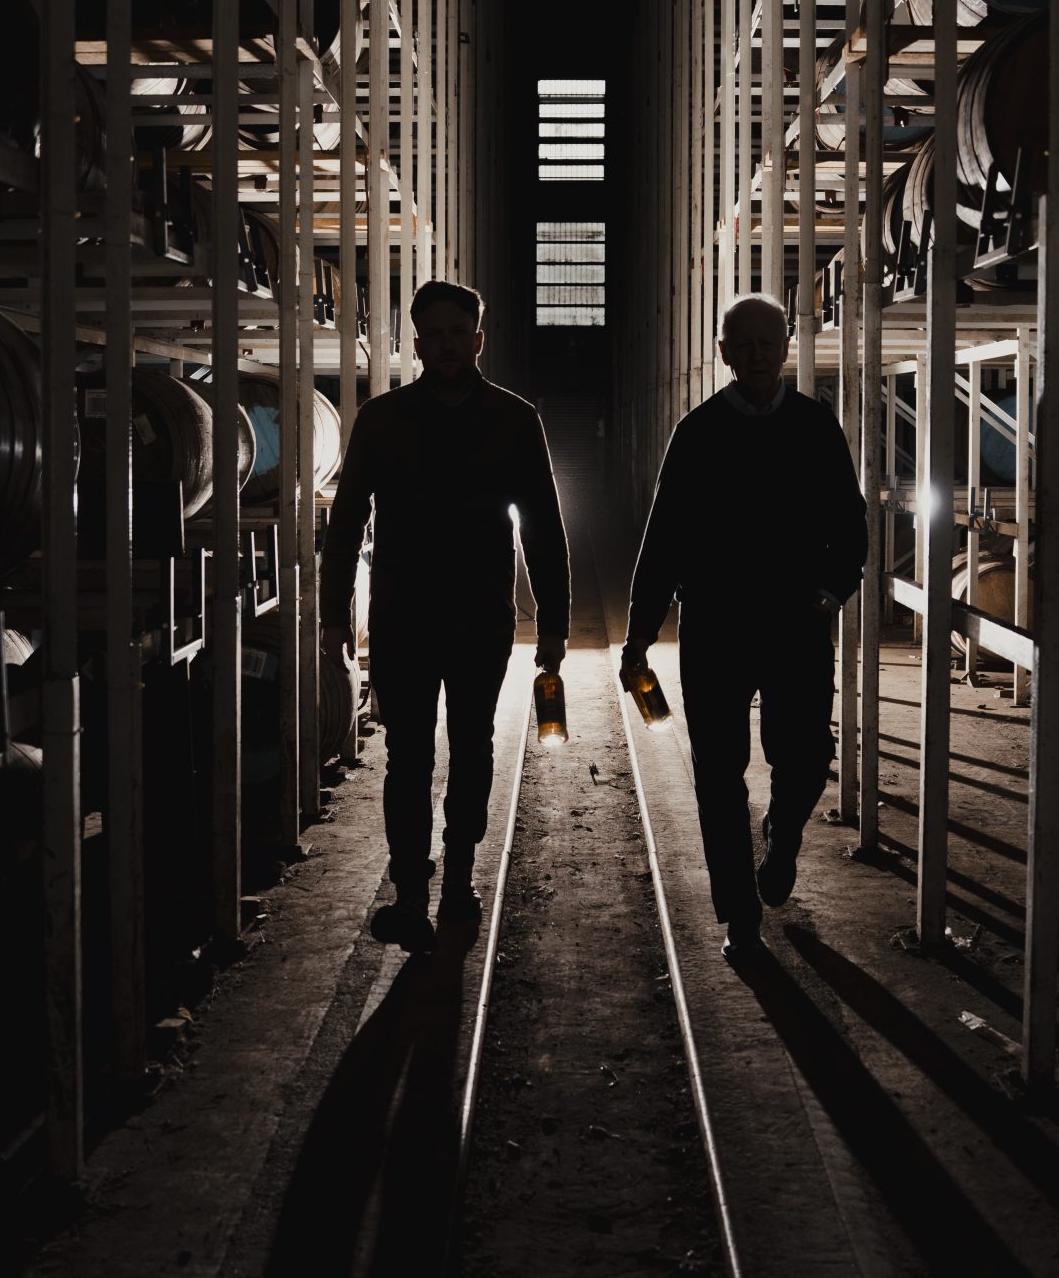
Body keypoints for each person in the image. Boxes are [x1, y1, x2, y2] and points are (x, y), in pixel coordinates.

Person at [321, 279, 569, 954]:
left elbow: (544, 526)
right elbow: (344, 523)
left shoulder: (515, 420)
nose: (446, 345)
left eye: (458, 333)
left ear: (477, 339)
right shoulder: (382, 419)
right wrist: (333, 613)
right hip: (402, 617)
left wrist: (553, 624)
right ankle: (409, 886)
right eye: (433, 333)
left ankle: (458, 870)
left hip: (481, 617)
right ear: (416, 341)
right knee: (406, 756)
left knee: (472, 746)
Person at [621, 294, 867, 960]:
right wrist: (639, 635)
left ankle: (782, 836)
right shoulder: (697, 432)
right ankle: (739, 917)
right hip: (716, 625)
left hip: (795, 623)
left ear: (786, 346)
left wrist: (829, 592)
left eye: (769, 341)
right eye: (743, 343)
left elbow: (850, 524)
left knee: (808, 756)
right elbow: (663, 538)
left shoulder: (817, 428)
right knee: (718, 772)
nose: (757, 355)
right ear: (723, 351)